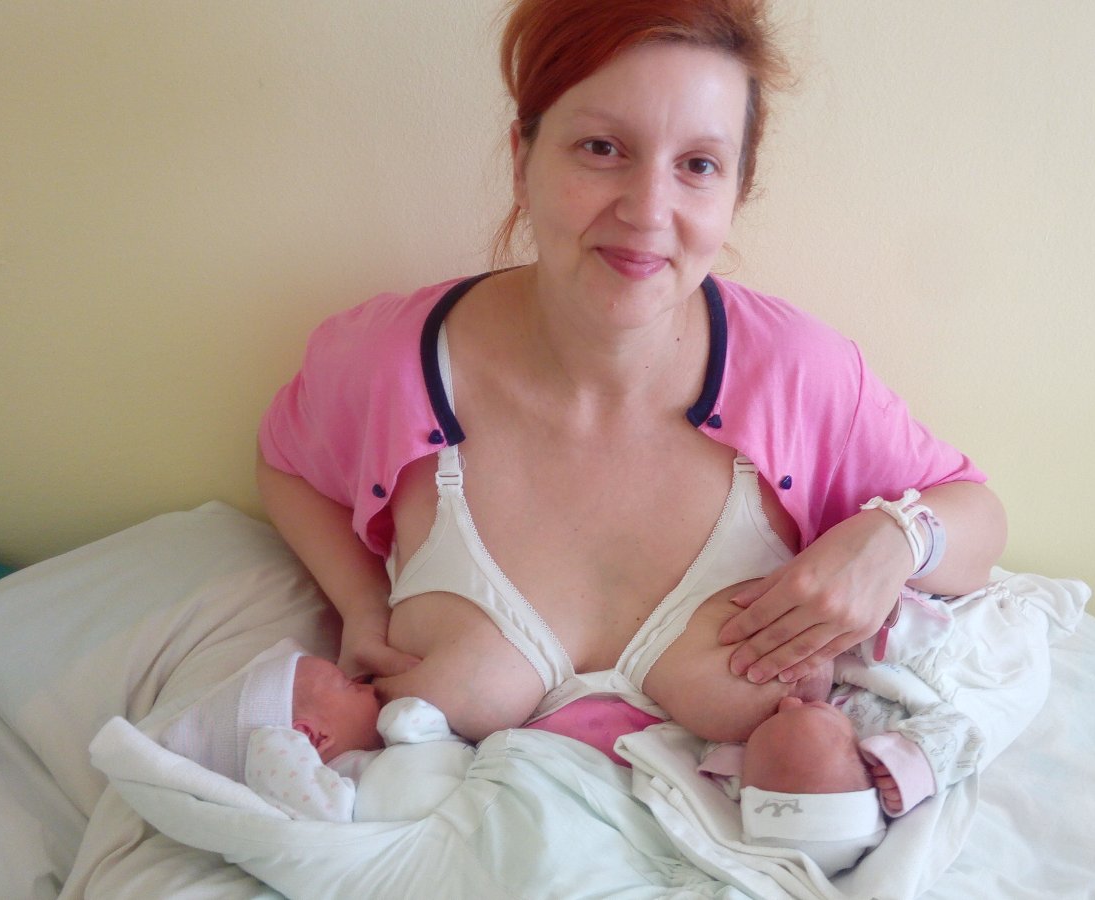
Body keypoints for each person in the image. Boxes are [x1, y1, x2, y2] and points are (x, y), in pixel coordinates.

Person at [256, 0, 1006, 755]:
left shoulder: (799, 375)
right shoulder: (392, 364)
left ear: (736, 192)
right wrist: (361, 606)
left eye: (698, 165)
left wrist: (896, 540)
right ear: (522, 161)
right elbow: (286, 465)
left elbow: (976, 517)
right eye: (602, 148)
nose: (648, 211)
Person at [638, 571, 1086, 876]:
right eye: (811, 714)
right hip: (960, 671)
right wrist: (910, 763)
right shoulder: (880, 746)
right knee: (1005, 665)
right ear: (862, 763)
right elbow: (961, 735)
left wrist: (735, 755)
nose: (788, 702)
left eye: (773, 723)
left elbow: (719, 761)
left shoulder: (760, 768)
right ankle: (1037, 609)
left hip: (893, 640)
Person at [158, 639, 475, 823]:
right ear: (313, 737)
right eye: (349, 685)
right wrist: (274, 745)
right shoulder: (328, 795)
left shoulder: (386, 750)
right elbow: (326, 816)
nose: (369, 686)